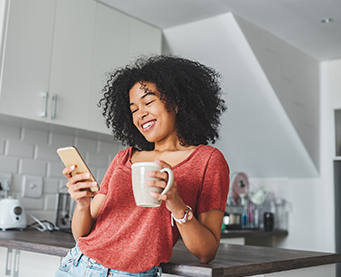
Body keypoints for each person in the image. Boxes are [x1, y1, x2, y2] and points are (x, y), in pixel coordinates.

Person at [55, 55, 229, 277]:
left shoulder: (208, 161)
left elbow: (207, 252)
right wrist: (82, 204)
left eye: (148, 102)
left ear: (175, 102)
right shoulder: (124, 157)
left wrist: (176, 204)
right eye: (134, 109)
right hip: (78, 265)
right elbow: (82, 235)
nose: (140, 114)